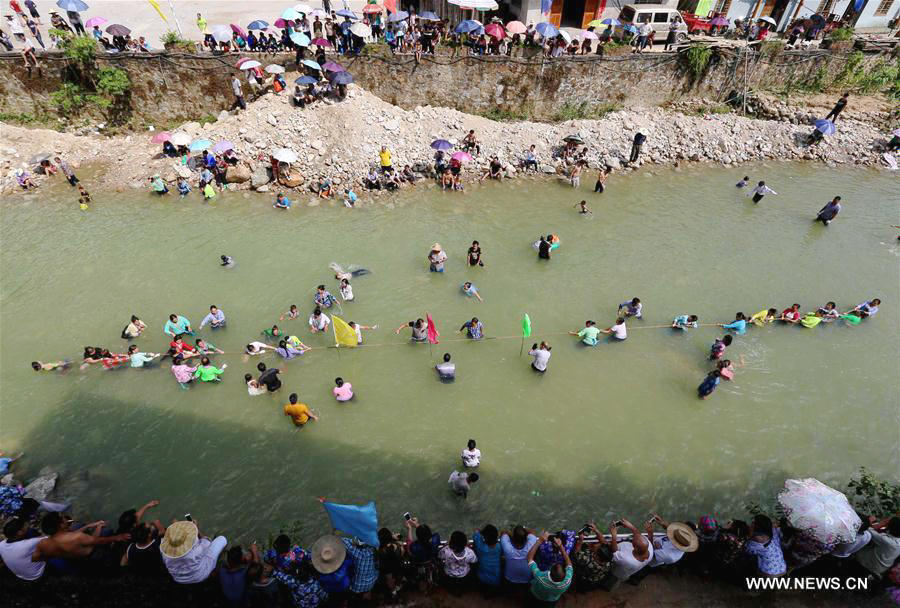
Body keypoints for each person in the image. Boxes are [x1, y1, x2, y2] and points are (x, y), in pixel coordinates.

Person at [159, 519, 227, 584]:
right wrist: (197, 529)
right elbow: (207, 542)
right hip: (199, 576)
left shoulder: (164, 551)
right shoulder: (197, 550)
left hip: (179, 579)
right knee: (222, 539)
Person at [526, 531, 574, 604]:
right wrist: (561, 546)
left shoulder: (541, 577)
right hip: (552, 600)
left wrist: (540, 540)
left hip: (537, 595)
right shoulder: (567, 581)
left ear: (549, 570)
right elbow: (571, 534)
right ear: (565, 574)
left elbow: (529, 558)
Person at [609, 519, 653, 584]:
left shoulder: (627, 559)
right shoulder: (649, 548)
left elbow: (614, 552)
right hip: (627, 569)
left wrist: (614, 536)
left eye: (633, 540)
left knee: (613, 580)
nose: (633, 537)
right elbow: (638, 535)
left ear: (635, 548)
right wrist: (631, 526)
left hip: (618, 572)